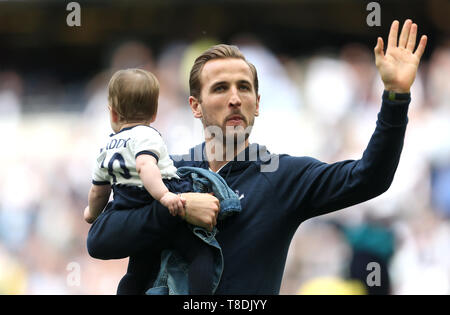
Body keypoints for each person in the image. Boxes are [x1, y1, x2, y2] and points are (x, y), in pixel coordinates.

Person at [87, 20, 427, 294]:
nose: (235, 98)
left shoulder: (282, 176)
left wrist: (396, 97)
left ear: (258, 103)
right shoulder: (166, 171)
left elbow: (370, 177)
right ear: (195, 106)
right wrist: (178, 209)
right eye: (220, 88)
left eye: (244, 88)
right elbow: (101, 240)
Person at [83, 68, 241, 294]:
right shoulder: (146, 135)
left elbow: (99, 191)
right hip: (157, 197)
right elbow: (145, 166)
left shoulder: (106, 148)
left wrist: (91, 213)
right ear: (154, 113)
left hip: (126, 203)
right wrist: (165, 196)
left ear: (113, 114)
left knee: (137, 270)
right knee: (199, 253)